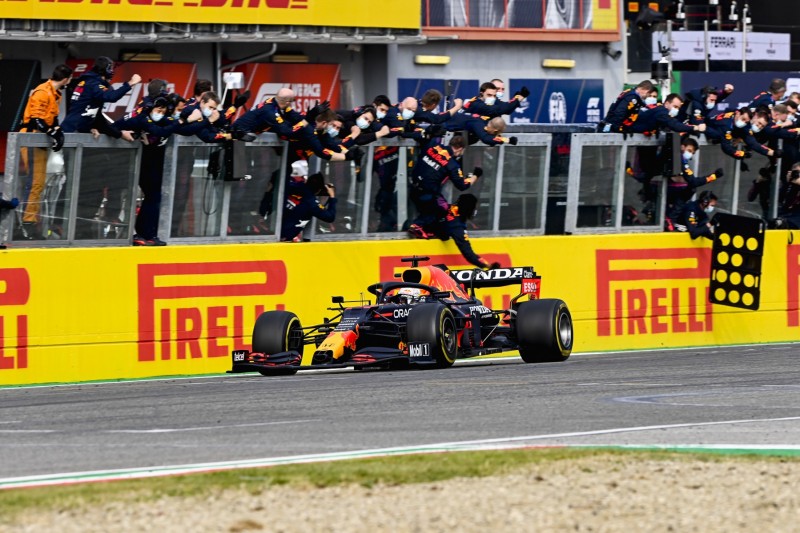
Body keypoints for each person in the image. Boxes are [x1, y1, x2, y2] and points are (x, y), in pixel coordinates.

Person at [109, 96, 203, 245]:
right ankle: (136, 234)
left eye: (163, 111)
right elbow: (158, 132)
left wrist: (201, 120)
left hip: (153, 162)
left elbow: (184, 130)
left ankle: (149, 234)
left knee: (155, 197)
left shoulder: (165, 120)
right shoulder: (141, 118)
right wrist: (123, 134)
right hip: (134, 162)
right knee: (143, 196)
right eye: (158, 110)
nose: (160, 113)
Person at [18, 64, 73, 239]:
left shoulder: (55, 93)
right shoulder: (42, 91)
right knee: (35, 182)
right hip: (31, 139)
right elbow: (36, 119)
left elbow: (52, 118)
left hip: (40, 140)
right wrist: (52, 133)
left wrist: (57, 133)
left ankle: (31, 223)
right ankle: (26, 224)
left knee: (39, 183)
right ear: (66, 79)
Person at [407, 135, 479, 237]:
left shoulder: (434, 146)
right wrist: (475, 176)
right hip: (427, 194)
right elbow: (462, 185)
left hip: (413, 187)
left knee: (432, 204)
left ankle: (422, 226)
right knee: (444, 208)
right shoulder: (452, 165)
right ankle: (418, 225)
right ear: (460, 149)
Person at [62, 56, 141, 133]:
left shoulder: (88, 81)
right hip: (73, 130)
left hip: (75, 128)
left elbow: (96, 115)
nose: (112, 71)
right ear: (105, 70)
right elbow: (111, 96)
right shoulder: (93, 84)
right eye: (110, 68)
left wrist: (90, 129)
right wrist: (130, 83)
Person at [664, 138, 723, 230]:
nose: (690, 154)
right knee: (691, 188)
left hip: (668, 188)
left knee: (689, 189)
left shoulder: (682, 159)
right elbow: (693, 181)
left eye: (692, 152)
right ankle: (670, 219)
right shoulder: (679, 159)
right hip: (663, 187)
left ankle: (671, 219)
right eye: (689, 150)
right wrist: (713, 176)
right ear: (682, 147)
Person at [432, 193, 500, 270]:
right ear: (469, 208)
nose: (475, 210)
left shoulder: (447, 207)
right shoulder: (457, 226)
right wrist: (487, 265)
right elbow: (468, 253)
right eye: (474, 208)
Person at [280, 160, 337, 242]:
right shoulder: (311, 203)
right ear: (318, 190)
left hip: (274, 231)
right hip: (285, 237)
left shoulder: (293, 186)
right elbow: (330, 217)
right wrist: (332, 197)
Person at [631, 93, 706, 135]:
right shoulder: (662, 112)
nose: (676, 110)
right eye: (675, 106)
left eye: (678, 108)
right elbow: (676, 126)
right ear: (666, 104)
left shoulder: (659, 109)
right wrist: (696, 127)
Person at [462, 81, 529, 118]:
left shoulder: (494, 101)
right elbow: (497, 109)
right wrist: (517, 99)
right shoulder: (475, 103)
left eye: (494, 95)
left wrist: (516, 99)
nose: (492, 98)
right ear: (482, 94)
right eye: (489, 95)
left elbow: (507, 110)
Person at [770, 162, 800, 229]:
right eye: (796, 173)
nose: (797, 175)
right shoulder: (790, 186)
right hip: (785, 220)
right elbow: (781, 201)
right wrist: (788, 183)